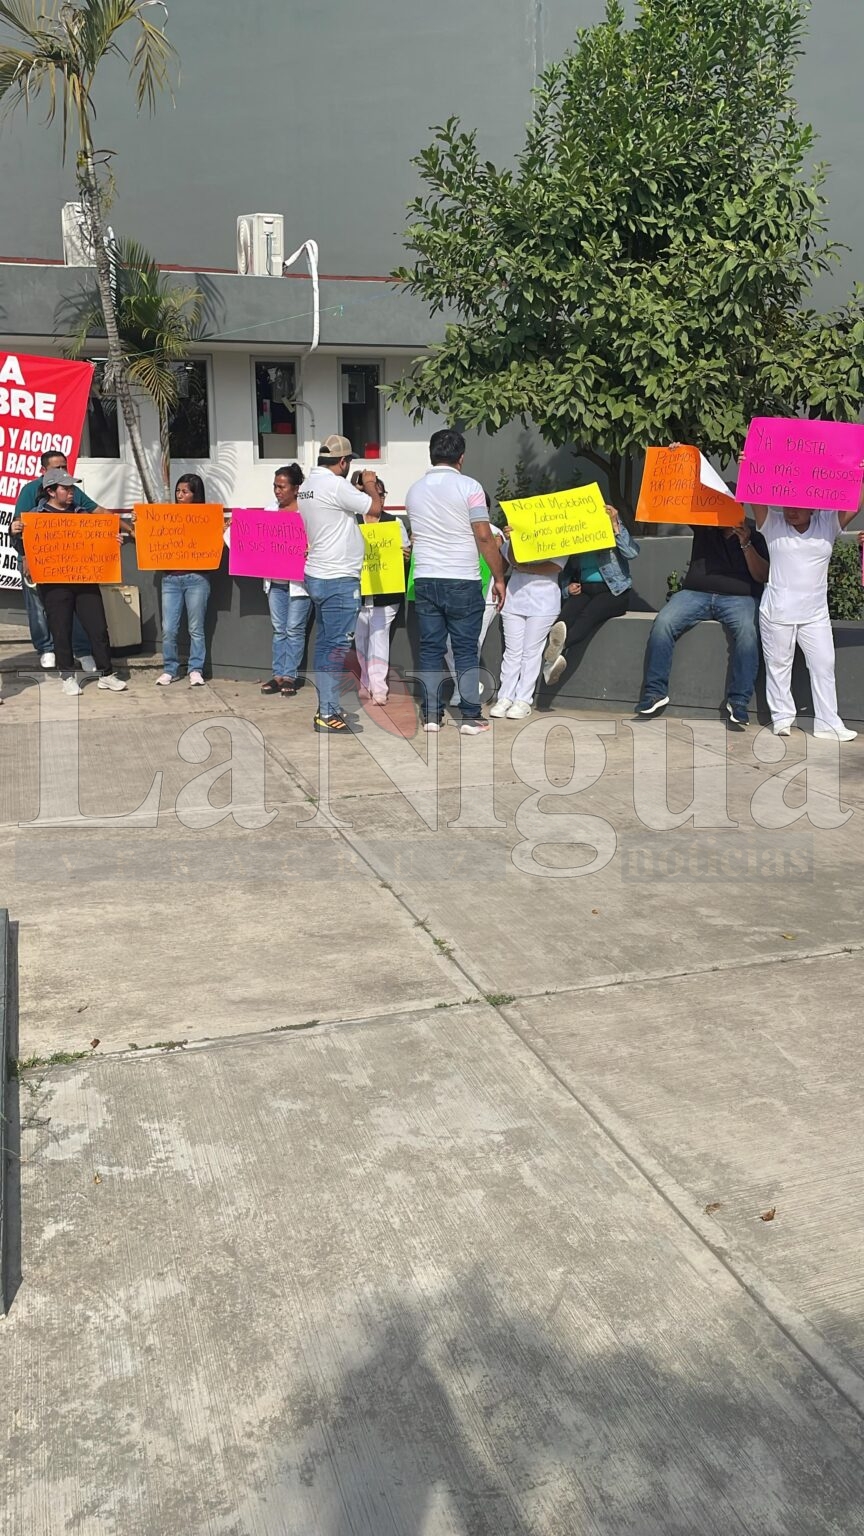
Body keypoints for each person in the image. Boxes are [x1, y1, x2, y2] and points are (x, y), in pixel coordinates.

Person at [405, 429, 506, 735]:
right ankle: (470, 717)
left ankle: (431, 716)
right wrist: (499, 577)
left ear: (431, 454)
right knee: (464, 650)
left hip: (425, 578)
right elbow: (484, 536)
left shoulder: (414, 491)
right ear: (461, 457)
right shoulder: (470, 487)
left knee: (430, 649)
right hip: (462, 578)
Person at [636, 509, 769, 728]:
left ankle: (739, 701)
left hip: (740, 597)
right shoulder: (704, 524)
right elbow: (681, 506)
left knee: (748, 632)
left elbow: (762, 576)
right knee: (664, 622)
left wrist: (746, 543)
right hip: (696, 594)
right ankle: (655, 692)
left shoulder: (755, 531)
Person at [749, 489, 863, 741]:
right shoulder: (773, 523)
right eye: (787, 505)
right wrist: (751, 470)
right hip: (778, 611)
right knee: (778, 665)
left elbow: (855, 503)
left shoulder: (827, 523)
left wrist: (860, 476)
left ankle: (828, 723)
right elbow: (755, 493)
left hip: (815, 614)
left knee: (824, 665)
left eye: (798, 506)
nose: (791, 511)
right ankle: (782, 718)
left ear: (813, 506)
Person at [297, 434, 382, 733]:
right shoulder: (335, 485)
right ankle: (327, 712)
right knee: (335, 648)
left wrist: (352, 489)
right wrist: (369, 483)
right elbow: (374, 508)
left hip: (317, 575)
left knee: (324, 645)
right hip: (339, 579)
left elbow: (335, 508)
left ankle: (327, 705)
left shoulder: (307, 486)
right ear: (343, 462)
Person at [20, 468, 127, 695]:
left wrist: (113, 540)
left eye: (72, 488)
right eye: (66, 488)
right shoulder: (35, 517)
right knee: (61, 630)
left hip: (85, 580)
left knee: (98, 628)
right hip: (54, 584)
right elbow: (24, 544)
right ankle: (67, 676)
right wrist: (22, 547)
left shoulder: (82, 514)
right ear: (51, 491)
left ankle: (106, 674)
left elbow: (99, 541)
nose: (71, 492)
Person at [13, 449, 100, 671]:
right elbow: (19, 527)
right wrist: (25, 557)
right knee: (38, 606)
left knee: (75, 607)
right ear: (44, 472)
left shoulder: (75, 495)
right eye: (57, 468)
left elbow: (98, 514)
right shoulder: (30, 491)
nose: (62, 471)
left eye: (64, 466)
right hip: (35, 560)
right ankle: (46, 648)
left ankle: (82, 650)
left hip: (71, 564)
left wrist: (126, 528)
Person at [542, 504, 640, 687]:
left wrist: (615, 524)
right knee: (563, 620)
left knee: (588, 615)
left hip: (614, 591)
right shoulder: (576, 537)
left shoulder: (611, 528)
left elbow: (631, 552)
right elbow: (567, 570)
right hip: (584, 589)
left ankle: (555, 654)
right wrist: (567, 588)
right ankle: (552, 663)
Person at [489, 534, 568, 719]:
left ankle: (523, 700)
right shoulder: (518, 534)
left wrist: (526, 568)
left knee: (531, 652)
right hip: (515, 598)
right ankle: (505, 697)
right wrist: (513, 538)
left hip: (544, 601)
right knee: (512, 652)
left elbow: (556, 566)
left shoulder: (560, 534)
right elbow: (510, 560)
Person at [350, 472, 410, 705]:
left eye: (381, 494)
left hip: (386, 592)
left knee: (379, 637)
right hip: (358, 592)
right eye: (374, 494)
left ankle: (379, 688)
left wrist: (405, 555)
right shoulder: (352, 521)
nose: (379, 499)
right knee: (361, 640)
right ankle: (366, 681)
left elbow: (404, 552)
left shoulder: (394, 523)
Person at [444, 498, 504, 708]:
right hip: (457, 595)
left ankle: (463, 692)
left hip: (486, 598)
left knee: (471, 644)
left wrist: (500, 547)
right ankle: (465, 686)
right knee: (447, 644)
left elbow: (505, 564)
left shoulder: (495, 532)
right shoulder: (455, 529)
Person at [258, 464, 310, 699]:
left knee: (294, 629)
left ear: (296, 489)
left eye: (282, 486)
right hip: (275, 583)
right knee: (279, 630)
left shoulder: (307, 513)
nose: (277, 491)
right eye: (275, 486)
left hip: (299, 583)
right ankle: (278, 674)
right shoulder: (269, 512)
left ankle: (290, 676)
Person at [156, 473, 213, 687]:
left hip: (197, 578)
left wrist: (223, 528)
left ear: (195, 495)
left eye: (185, 491)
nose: (180, 495)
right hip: (171, 578)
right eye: (178, 491)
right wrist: (138, 522)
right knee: (169, 628)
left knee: (196, 628)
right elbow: (151, 533)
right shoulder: (167, 516)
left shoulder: (206, 516)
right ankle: (169, 669)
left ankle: (195, 669)